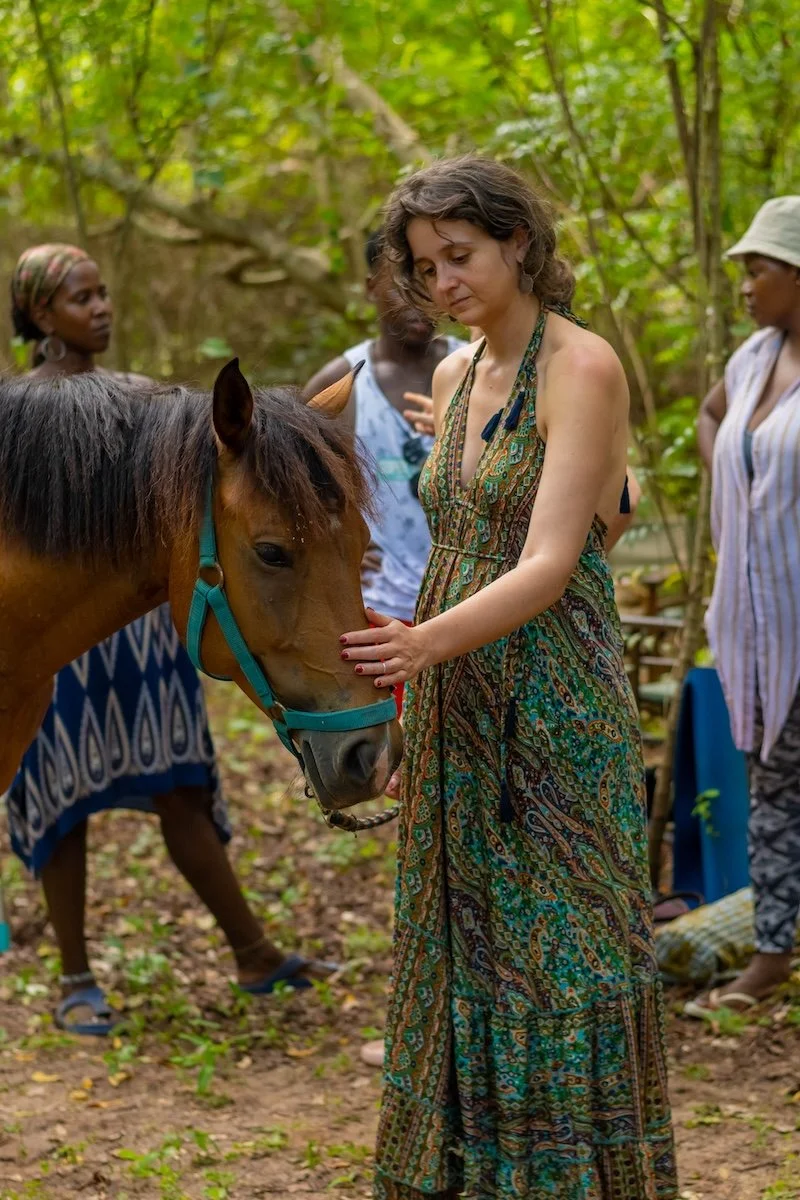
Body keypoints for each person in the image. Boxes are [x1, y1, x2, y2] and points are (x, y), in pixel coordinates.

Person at [339, 158, 675, 1199]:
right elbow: (491, 510)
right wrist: (423, 677)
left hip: (551, 701)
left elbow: (550, 560)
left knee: (559, 946)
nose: (440, 283)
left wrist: (421, 645)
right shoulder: (449, 374)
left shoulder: (582, 368)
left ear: (517, 244)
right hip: (457, 697)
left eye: (459, 256)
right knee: (467, 935)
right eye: (421, 266)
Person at [6, 243, 332, 1035]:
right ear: (42, 314)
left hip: (146, 633)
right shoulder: (19, 413)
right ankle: (75, 976)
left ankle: (252, 949)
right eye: (81, 297)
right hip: (60, 641)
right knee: (64, 797)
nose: (102, 308)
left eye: (105, 292)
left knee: (181, 784)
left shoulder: (144, 398)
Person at [690, 196, 800, 1014]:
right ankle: (771, 955)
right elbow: (712, 417)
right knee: (771, 785)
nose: (744, 284)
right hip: (759, 626)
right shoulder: (754, 360)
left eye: (756, 268)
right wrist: (739, 491)